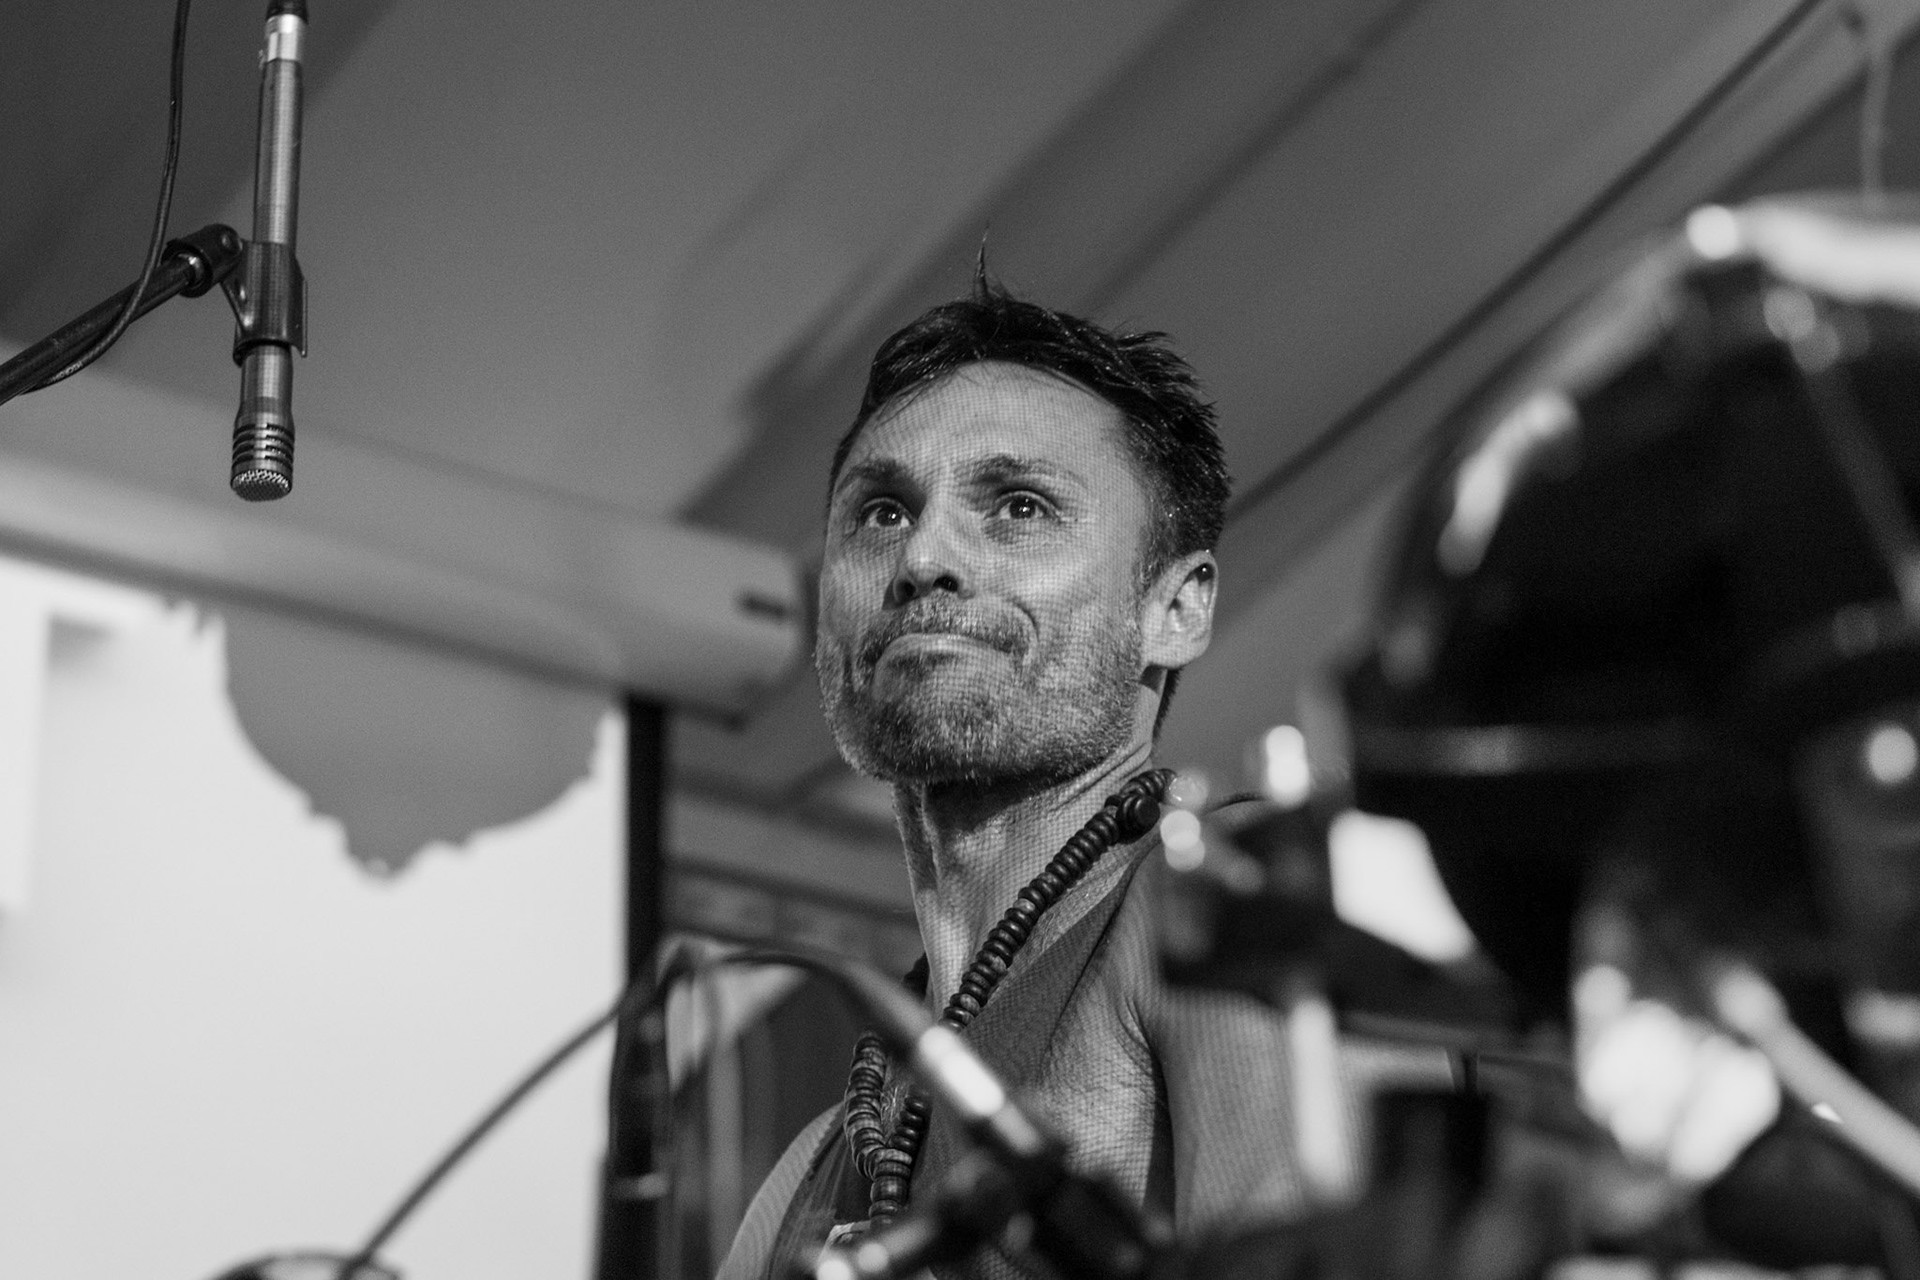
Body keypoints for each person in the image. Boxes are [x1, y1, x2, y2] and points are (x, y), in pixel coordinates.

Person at [717, 279, 1444, 1280]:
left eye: (1020, 506)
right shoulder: (805, 1176)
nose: (923, 555)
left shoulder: (1237, 918)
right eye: (881, 512)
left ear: (1176, 608)